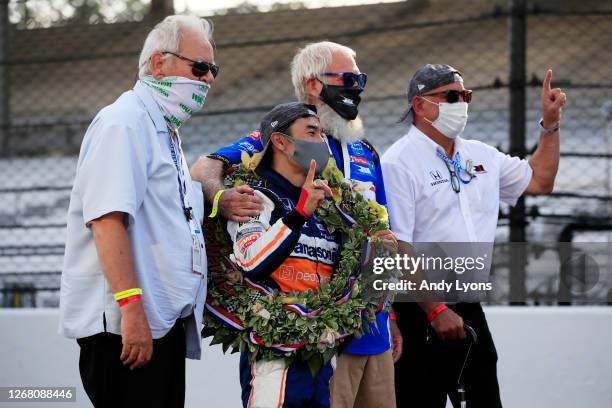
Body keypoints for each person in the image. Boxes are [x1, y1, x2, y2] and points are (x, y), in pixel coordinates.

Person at [191, 41, 401, 408]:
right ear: (314, 84)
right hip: (314, 338)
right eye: (348, 78)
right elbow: (205, 167)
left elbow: (381, 235)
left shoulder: (364, 151)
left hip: (372, 328)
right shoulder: (278, 141)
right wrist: (222, 198)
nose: (358, 87)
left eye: (360, 78)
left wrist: (389, 313)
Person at [382, 64, 566, 408]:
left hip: (467, 306)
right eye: (450, 96)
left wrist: (550, 125)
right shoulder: (399, 162)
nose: (461, 103)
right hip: (419, 309)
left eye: (465, 96)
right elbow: (397, 245)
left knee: (484, 399)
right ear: (419, 106)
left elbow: (540, 181)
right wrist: (435, 310)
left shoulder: (480, 154)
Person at [58, 15, 218, 407]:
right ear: (158, 63)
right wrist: (131, 311)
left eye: (213, 70)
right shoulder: (124, 122)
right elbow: (106, 221)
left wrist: (217, 200)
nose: (209, 79)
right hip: (126, 328)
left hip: (159, 325)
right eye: (199, 67)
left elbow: (172, 216)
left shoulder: (161, 129)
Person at [228, 102, 339, 407]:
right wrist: (299, 213)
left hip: (322, 355)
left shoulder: (328, 204)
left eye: (323, 134)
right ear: (280, 141)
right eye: (312, 132)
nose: (322, 142)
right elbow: (251, 259)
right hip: (273, 355)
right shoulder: (254, 196)